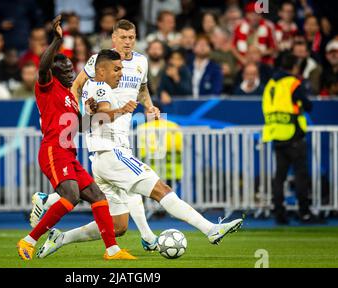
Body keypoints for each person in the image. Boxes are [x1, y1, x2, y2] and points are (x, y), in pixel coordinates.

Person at [33, 21, 243, 259]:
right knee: (160, 189)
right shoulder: (98, 73)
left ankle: (62, 237)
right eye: (123, 37)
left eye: (131, 37)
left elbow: (141, 89)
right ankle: (210, 229)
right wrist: (78, 109)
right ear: (113, 38)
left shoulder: (139, 63)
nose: (128, 41)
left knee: (119, 225)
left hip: (108, 153)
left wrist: (149, 106)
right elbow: (84, 91)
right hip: (111, 149)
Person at [16, 15, 136, 261]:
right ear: (54, 72)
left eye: (72, 68)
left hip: (69, 154)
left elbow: (79, 126)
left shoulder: (71, 98)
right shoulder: (47, 87)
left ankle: (112, 250)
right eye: (66, 69)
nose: (72, 72)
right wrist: (57, 40)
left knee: (97, 197)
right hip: (53, 150)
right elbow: (42, 66)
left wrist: (97, 113)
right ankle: (28, 240)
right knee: (70, 195)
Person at [262, 54, 320, 225]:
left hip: (275, 134)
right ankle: (305, 214)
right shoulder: (293, 83)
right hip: (293, 134)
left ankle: (279, 213)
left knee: (279, 176)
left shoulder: (270, 85)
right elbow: (308, 105)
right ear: (294, 67)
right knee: (300, 176)